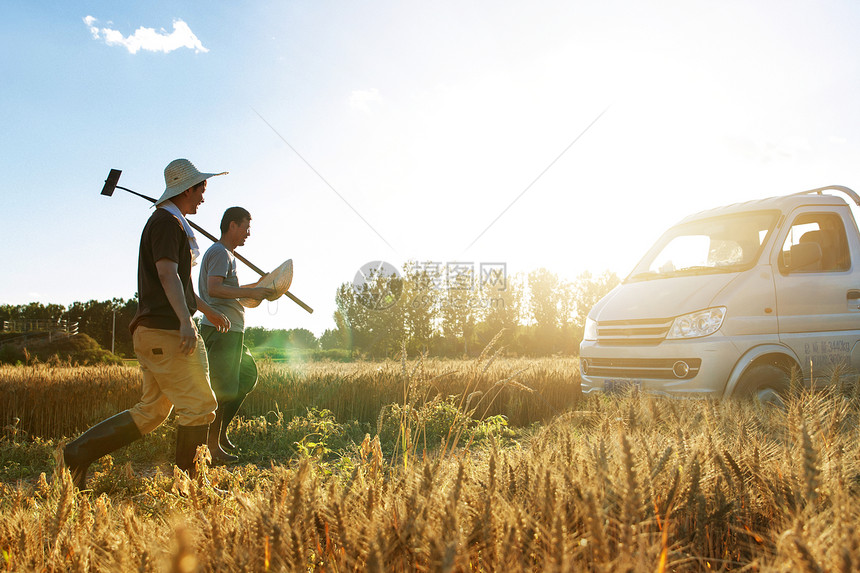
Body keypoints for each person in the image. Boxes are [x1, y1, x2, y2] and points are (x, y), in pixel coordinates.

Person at [64, 158, 230, 489]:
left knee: (152, 411)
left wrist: (205, 310)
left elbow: (178, 283)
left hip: (152, 331)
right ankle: (190, 488)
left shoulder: (171, 222)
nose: (203, 198)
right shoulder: (167, 225)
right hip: (167, 331)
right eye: (202, 190)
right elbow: (167, 274)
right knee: (199, 405)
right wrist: (186, 322)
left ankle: (75, 454)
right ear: (187, 189)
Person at [198, 207, 273, 463]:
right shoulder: (220, 253)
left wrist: (259, 286)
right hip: (220, 329)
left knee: (247, 375)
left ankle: (219, 434)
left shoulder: (227, 255)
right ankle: (211, 445)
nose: (248, 234)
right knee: (221, 388)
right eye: (246, 227)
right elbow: (214, 289)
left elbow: (233, 289)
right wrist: (251, 293)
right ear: (232, 226)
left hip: (232, 331)